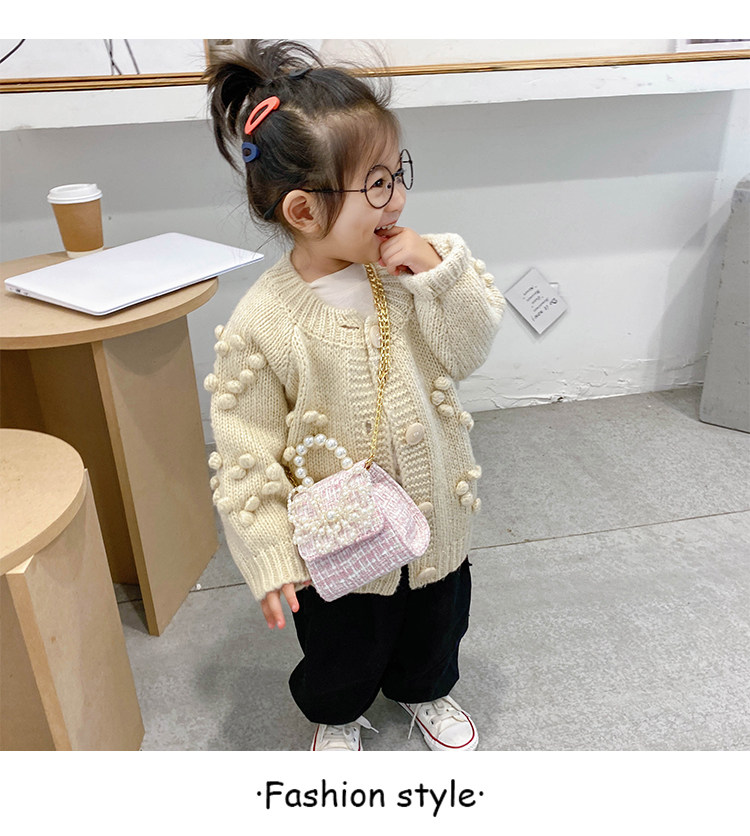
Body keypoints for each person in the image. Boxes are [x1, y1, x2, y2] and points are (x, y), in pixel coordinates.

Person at [204, 40, 505, 751]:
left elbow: (469, 350)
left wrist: (436, 274)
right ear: (304, 211)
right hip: (338, 546)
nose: (396, 198)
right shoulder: (264, 322)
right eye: (374, 185)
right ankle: (337, 714)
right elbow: (245, 453)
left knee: (438, 624)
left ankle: (425, 691)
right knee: (342, 647)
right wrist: (269, 553)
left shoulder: (417, 269)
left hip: (434, 523)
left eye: (397, 174)